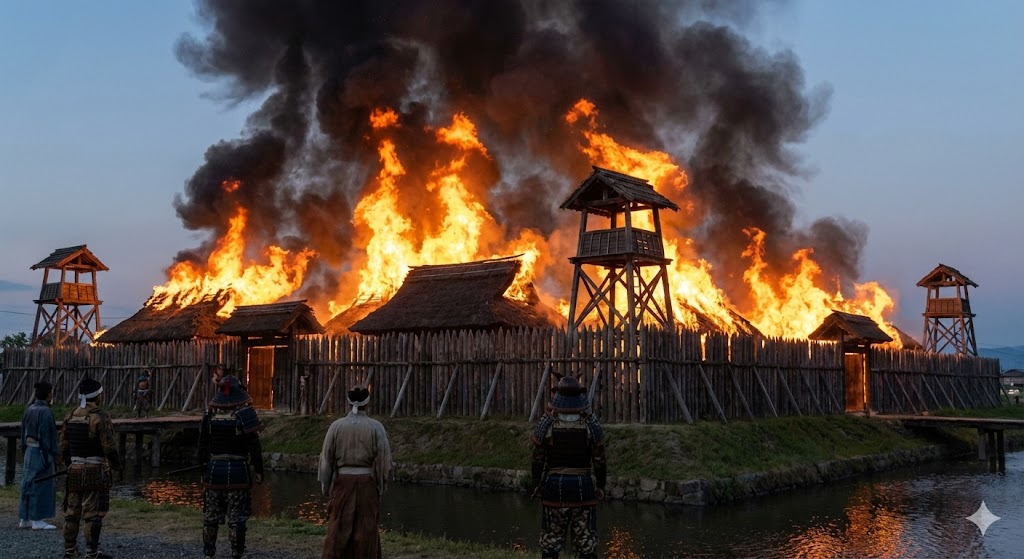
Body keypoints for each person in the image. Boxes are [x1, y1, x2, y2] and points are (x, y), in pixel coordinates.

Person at [531, 375, 607, 559]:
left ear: (558, 395)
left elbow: (537, 459)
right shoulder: (590, 422)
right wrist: (601, 486)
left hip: (554, 487)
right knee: (586, 543)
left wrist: (536, 484)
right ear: (579, 395)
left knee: (551, 543)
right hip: (584, 487)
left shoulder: (546, 421)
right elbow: (600, 460)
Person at [318, 384, 392, 559]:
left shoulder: (336, 427)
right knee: (366, 530)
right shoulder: (376, 427)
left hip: (343, 483)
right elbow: (384, 461)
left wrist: (326, 487)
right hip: (367, 482)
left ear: (348, 402)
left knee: (339, 528)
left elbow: (327, 459)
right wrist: (381, 486)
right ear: (368, 403)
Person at [198, 374, 265, 559]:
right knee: (236, 518)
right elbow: (254, 446)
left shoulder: (209, 415)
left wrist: (202, 470)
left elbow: (202, 444)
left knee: (211, 516)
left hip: (214, 471)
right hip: (238, 472)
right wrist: (259, 471)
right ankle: (236, 553)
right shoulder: (246, 414)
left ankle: (209, 553)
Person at [61, 376, 122, 559]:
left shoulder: (70, 416)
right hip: (95, 470)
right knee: (93, 514)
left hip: (75, 470)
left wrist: (70, 465)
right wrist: (116, 467)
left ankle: (69, 550)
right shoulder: (100, 417)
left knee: (72, 512)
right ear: (97, 396)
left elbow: (64, 446)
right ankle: (91, 553)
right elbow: (109, 446)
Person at [19, 381, 60, 530]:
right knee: (42, 483)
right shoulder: (46, 412)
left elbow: (22, 432)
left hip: (29, 450)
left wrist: (23, 448)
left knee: (27, 483)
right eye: (51, 392)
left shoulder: (29, 409)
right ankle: (38, 519)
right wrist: (54, 453)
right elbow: (48, 436)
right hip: (41, 451)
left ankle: (24, 518)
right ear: (49, 394)